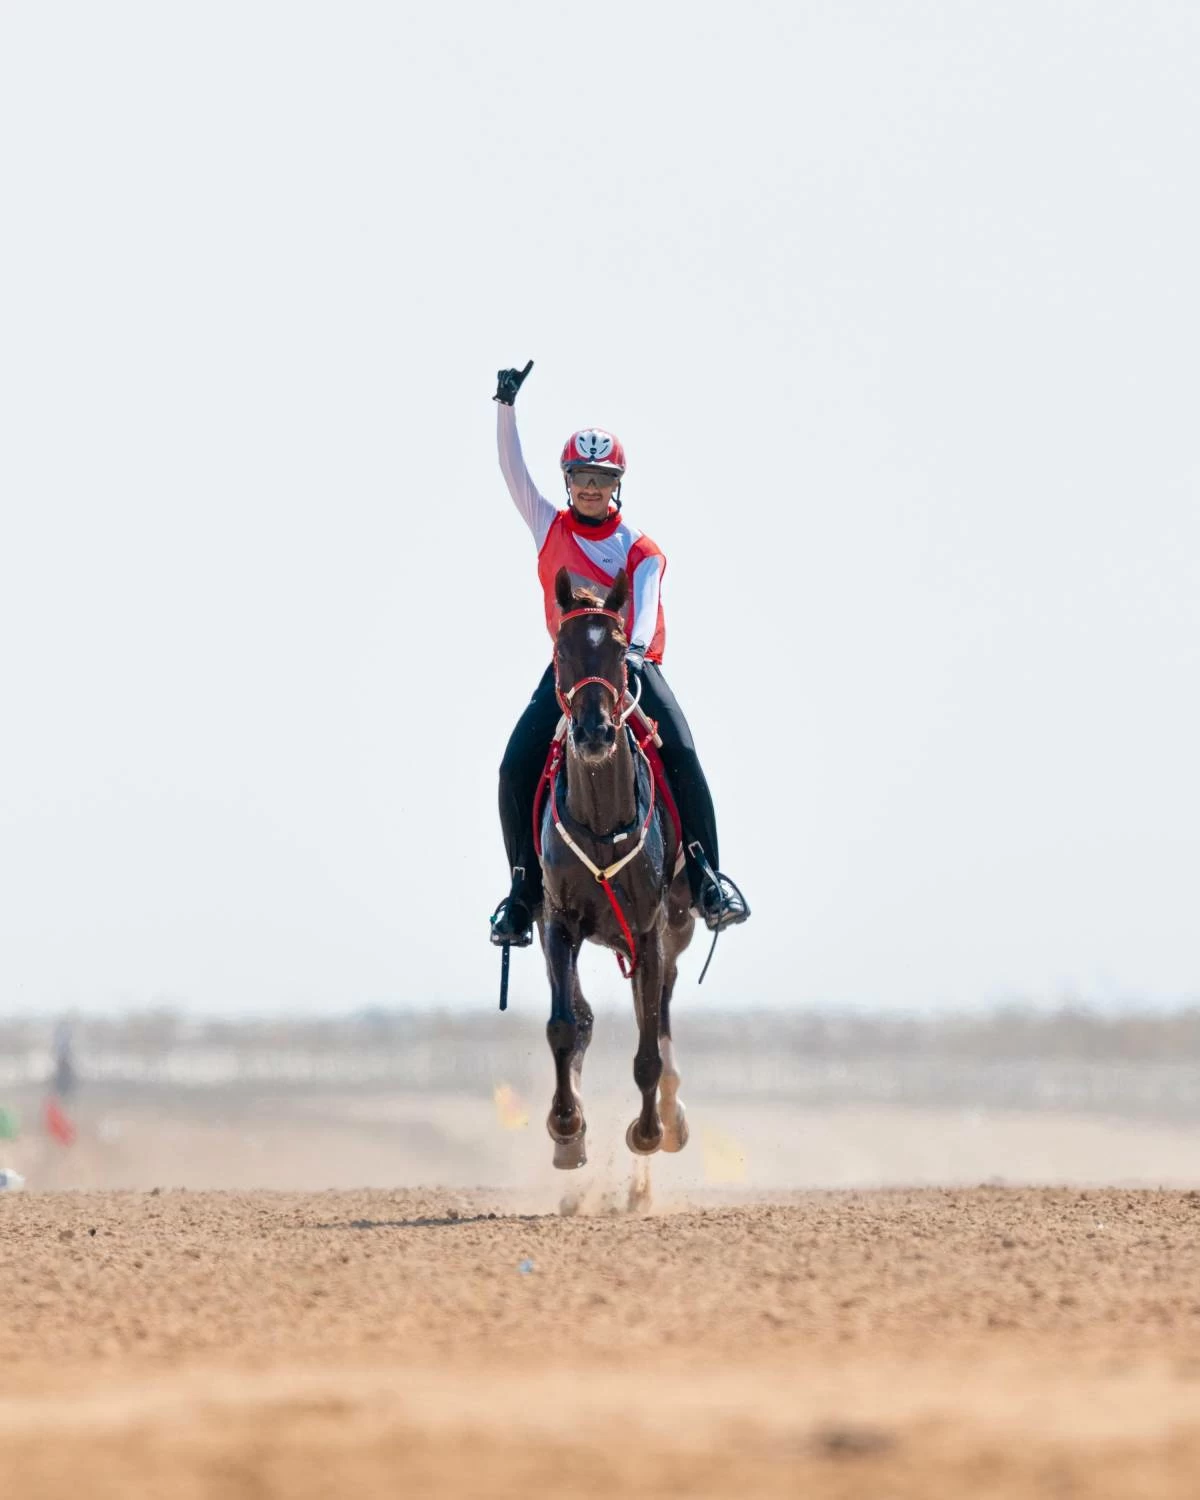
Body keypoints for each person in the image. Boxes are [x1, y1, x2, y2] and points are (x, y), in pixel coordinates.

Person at [489, 359, 749, 947]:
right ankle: (523, 890)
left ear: (617, 485)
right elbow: (511, 472)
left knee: (681, 749)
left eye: (601, 478)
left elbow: (648, 608)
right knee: (513, 765)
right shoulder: (547, 526)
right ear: (567, 479)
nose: (589, 486)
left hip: (629, 669)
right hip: (571, 671)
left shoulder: (642, 549)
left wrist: (628, 657)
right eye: (580, 475)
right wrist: (504, 407)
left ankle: (708, 878)